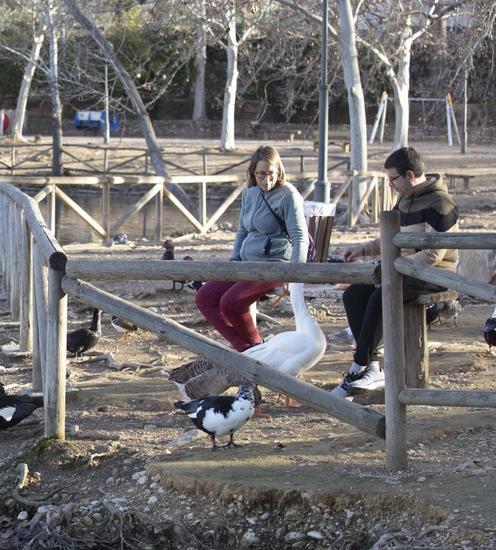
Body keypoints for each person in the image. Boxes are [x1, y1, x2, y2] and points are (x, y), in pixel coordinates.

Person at [330, 146, 458, 396]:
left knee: (382, 294)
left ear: (410, 175)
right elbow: (392, 238)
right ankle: (373, 367)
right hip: (401, 270)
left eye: (393, 179)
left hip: (434, 274)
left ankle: (358, 365)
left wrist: (393, 269)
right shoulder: (404, 199)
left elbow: (434, 255)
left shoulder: (440, 203)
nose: (390, 185)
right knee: (354, 295)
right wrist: (363, 249)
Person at [196, 145, 307, 351]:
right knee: (204, 297)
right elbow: (242, 231)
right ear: (253, 173)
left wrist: (295, 275)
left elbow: (300, 236)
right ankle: (249, 350)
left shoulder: (288, 195)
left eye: (271, 174)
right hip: (246, 262)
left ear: (279, 171)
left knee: (230, 303)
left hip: (275, 264)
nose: (267, 180)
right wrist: (233, 262)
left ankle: (255, 348)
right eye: (261, 174)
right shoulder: (250, 193)